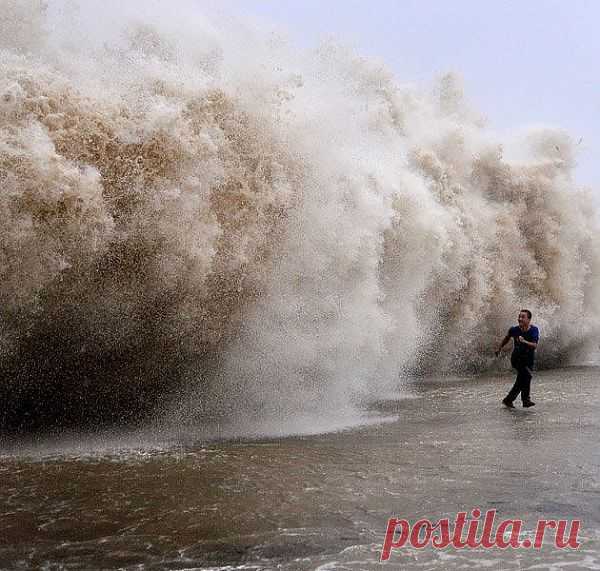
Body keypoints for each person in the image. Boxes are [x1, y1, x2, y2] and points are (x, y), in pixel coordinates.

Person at [495, 309, 540, 408]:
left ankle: (508, 400)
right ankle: (525, 400)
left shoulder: (534, 330)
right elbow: (507, 337)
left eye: (523, 317)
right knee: (527, 376)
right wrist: (499, 348)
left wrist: (524, 341)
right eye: (519, 317)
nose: (520, 319)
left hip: (528, 360)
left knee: (521, 381)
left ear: (529, 319)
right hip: (517, 359)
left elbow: (534, 345)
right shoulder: (514, 330)